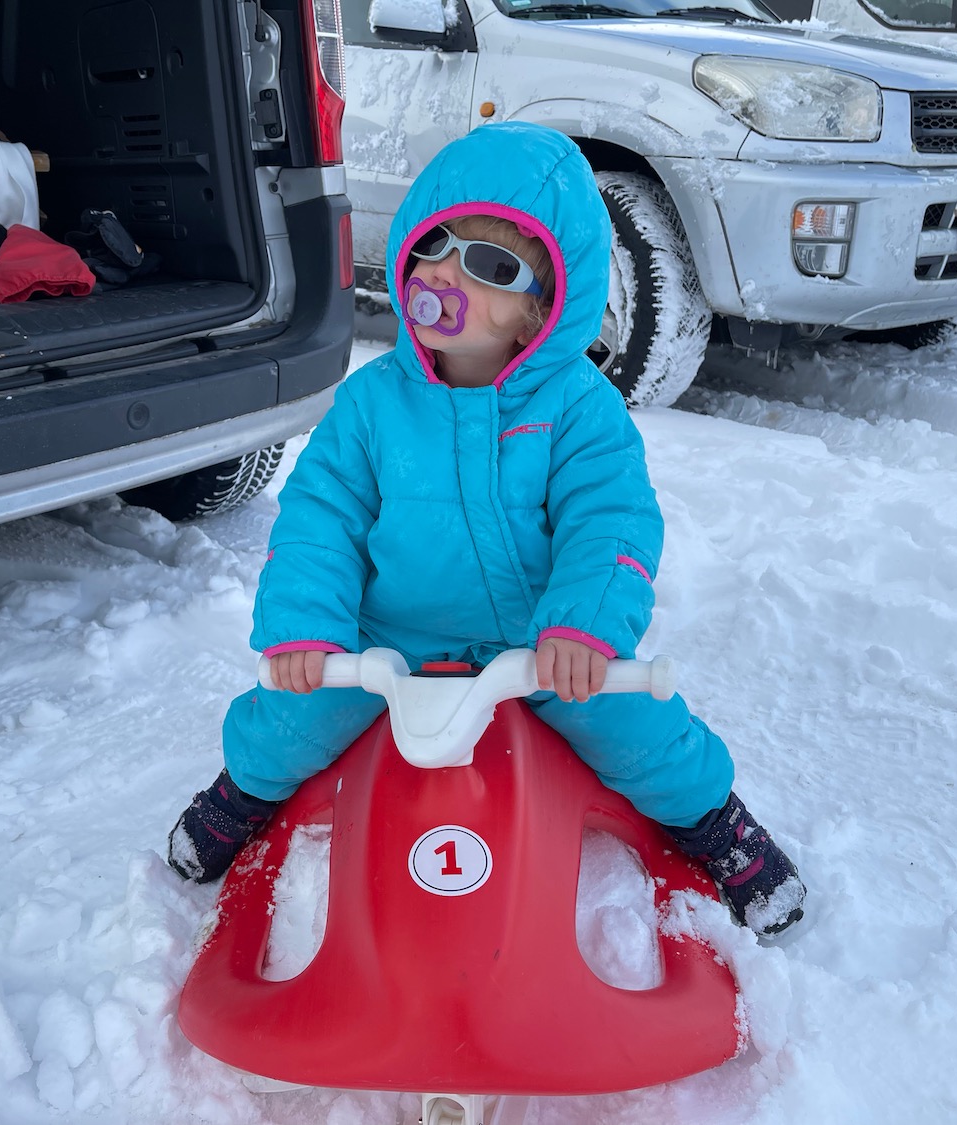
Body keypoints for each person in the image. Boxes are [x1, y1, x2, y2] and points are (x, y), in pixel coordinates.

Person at [167, 122, 806, 936]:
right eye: (433, 242)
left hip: (537, 643)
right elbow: (318, 519)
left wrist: (582, 626)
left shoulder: (577, 409)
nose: (442, 271)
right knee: (292, 717)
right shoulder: (371, 405)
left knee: (636, 726)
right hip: (390, 634)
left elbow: (610, 521)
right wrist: (307, 629)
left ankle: (718, 824)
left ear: (543, 304)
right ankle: (238, 794)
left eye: (489, 263)